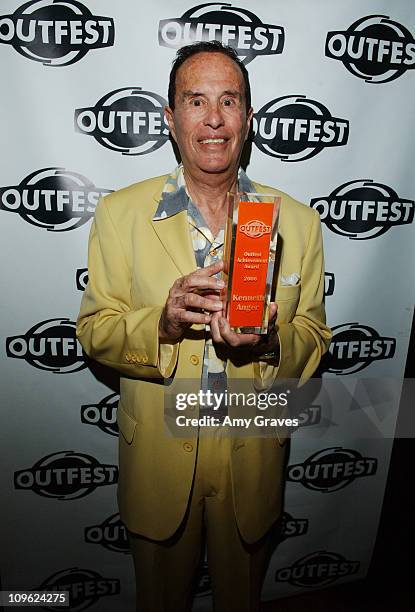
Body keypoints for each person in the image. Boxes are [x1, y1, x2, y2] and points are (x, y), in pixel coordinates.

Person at [77, 41, 331, 612]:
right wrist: (162, 326)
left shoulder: (299, 222)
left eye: (229, 101)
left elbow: (315, 337)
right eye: (195, 101)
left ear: (248, 116)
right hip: (161, 456)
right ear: (170, 120)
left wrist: (269, 342)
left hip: (252, 452)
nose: (213, 119)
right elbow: (94, 329)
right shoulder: (120, 214)